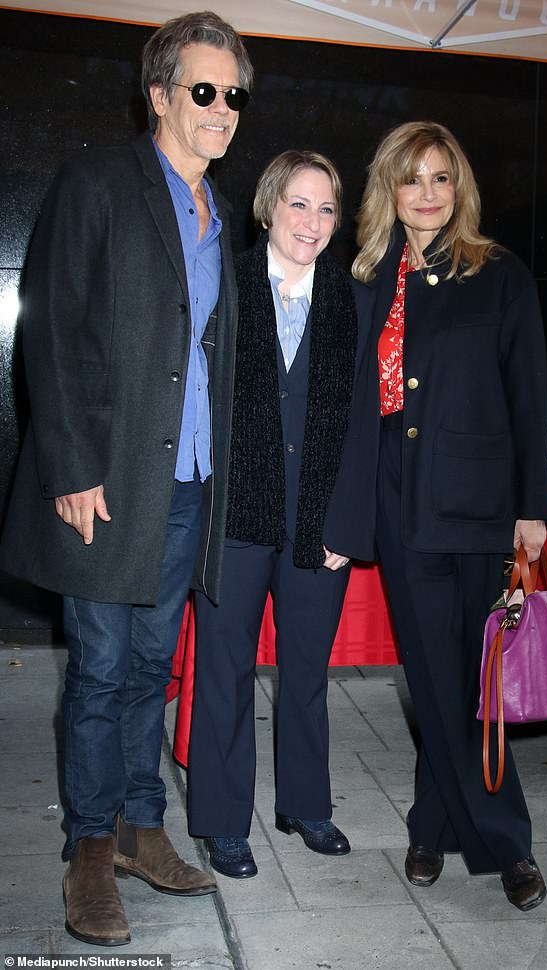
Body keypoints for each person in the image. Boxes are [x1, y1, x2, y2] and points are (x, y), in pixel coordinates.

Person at [0, 10, 253, 946]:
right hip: (104, 481)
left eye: (233, 93)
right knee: (102, 670)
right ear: (159, 95)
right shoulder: (100, 182)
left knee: (153, 665)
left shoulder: (218, 213)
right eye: (203, 90)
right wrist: (69, 464)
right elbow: (52, 326)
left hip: (187, 478)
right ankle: (90, 851)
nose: (221, 108)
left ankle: (145, 827)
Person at [351, 121, 547, 911]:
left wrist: (532, 509)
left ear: (459, 188)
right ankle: (508, 846)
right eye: (412, 178)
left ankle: (433, 824)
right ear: (389, 190)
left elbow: (528, 398)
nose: (427, 194)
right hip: (402, 504)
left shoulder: (500, 275)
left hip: (482, 508)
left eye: (441, 178)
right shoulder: (371, 276)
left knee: (477, 684)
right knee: (435, 676)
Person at [187, 150, 377, 879]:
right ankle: (222, 820)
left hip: (319, 525)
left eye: (327, 208)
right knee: (224, 668)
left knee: (306, 669)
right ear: (269, 207)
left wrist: (346, 527)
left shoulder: (350, 298)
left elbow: (365, 426)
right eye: (299, 204)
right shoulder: (223, 284)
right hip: (234, 512)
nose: (313, 221)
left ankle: (306, 803)